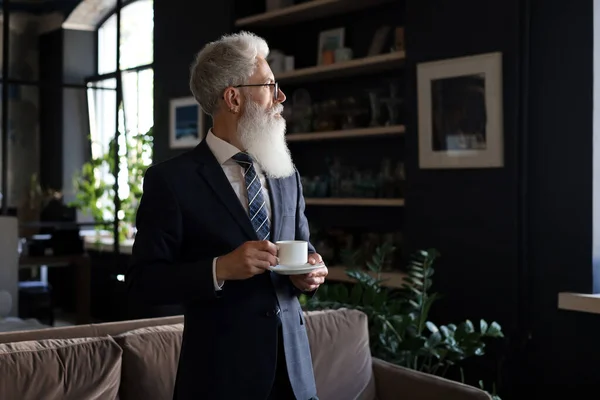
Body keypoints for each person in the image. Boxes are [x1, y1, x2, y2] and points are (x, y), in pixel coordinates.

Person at [127, 31, 328, 400]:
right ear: (233, 98)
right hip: (219, 379)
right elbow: (144, 282)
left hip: (295, 378)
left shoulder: (287, 173)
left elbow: (301, 246)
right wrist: (219, 269)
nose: (280, 97)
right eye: (269, 85)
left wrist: (311, 270)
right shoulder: (171, 181)